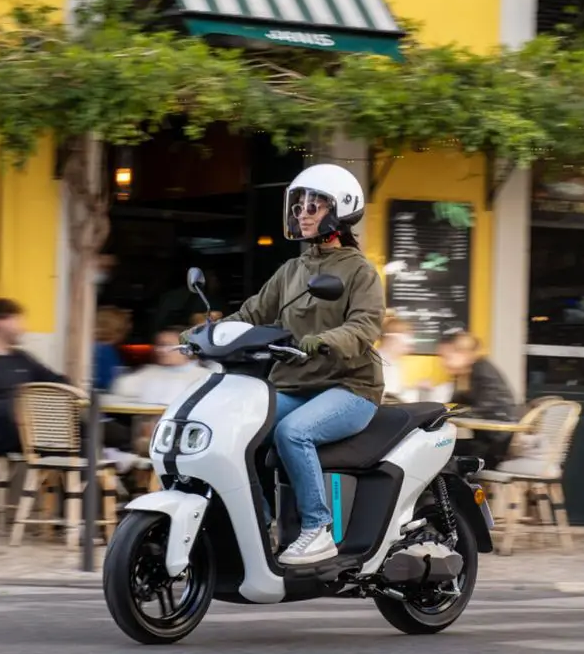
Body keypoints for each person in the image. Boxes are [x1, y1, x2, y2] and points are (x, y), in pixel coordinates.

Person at [187, 163, 384, 565]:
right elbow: (252, 313)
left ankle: (317, 529)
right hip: (296, 385)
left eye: (314, 206)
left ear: (339, 210)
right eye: (299, 206)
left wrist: (325, 340)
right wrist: (204, 335)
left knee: (293, 432)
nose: (303, 214)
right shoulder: (292, 270)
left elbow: (365, 327)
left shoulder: (359, 271)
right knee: (239, 430)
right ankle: (257, 524)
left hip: (350, 388)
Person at [0, 298, 71, 455]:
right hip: (0, 431)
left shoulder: (22, 358)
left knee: (83, 428)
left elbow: (56, 380)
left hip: (29, 426)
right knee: (71, 435)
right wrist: (25, 410)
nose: (23, 328)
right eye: (17, 320)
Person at [427, 329, 519, 468]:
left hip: (496, 443)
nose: (443, 363)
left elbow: (484, 409)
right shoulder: (465, 374)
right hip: (484, 439)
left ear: (463, 353)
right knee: (435, 449)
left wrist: (445, 414)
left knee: (438, 453)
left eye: (447, 357)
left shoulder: (482, 371)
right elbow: (455, 405)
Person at [111, 326, 214, 405]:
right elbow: (121, 389)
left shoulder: (205, 377)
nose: (160, 350)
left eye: (168, 345)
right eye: (159, 345)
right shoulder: (149, 371)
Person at [377, 313, 415, 404]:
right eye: (407, 341)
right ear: (391, 340)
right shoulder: (377, 362)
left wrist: (415, 386)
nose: (410, 348)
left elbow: (395, 391)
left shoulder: (394, 362)